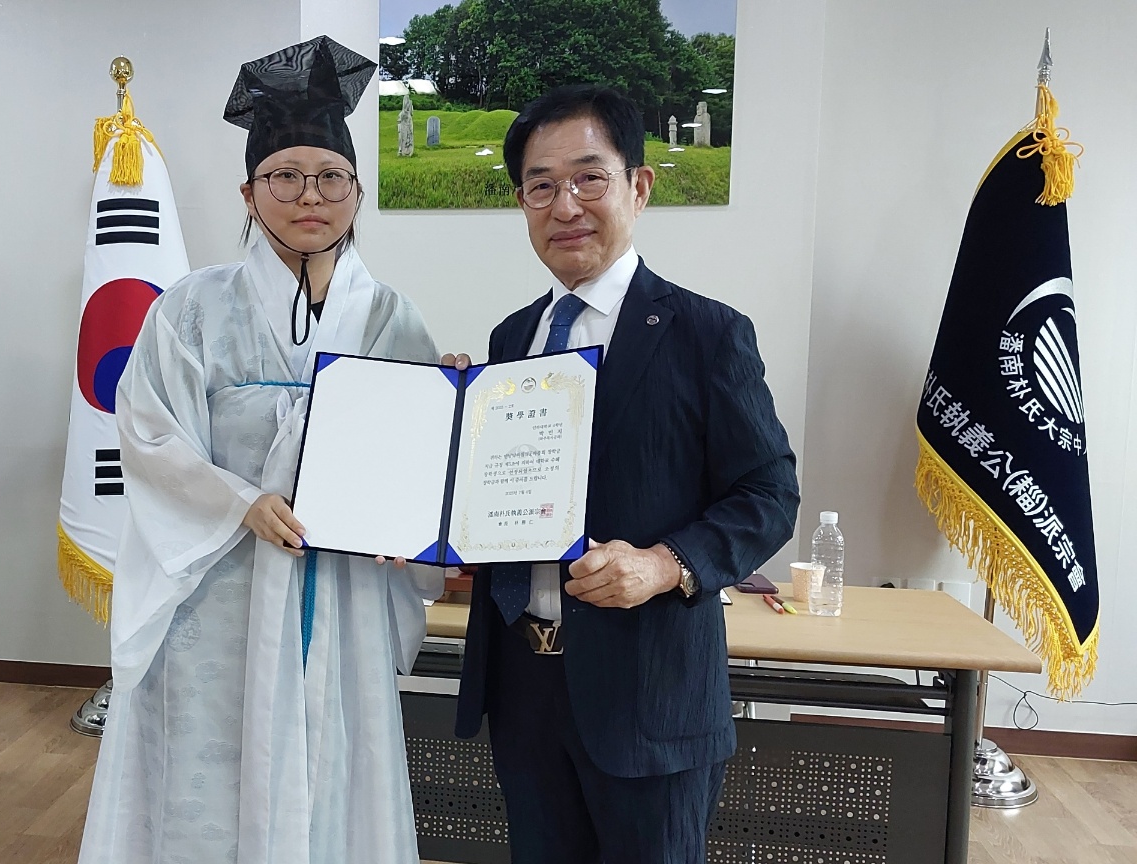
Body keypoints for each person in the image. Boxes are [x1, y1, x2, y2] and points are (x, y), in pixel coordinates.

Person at [77, 36, 443, 864]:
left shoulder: (392, 318)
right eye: (285, 176)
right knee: (207, 772)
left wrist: (440, 423)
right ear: (248, 192)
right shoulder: (191, 308)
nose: (310, 195)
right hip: (218, 590)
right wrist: (242, 504)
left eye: (331, 177)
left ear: (357, 191)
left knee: (334, 766)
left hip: (342, 593)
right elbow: (150, 434)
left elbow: (416, 462)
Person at [449, 85, 800, 863]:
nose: (565, 205)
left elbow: (770, 493)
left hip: (650, 696)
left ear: (638, 187)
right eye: (541, 185)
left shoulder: (707, 333)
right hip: (522, 687)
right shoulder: (510, 340)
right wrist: (443, 430)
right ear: (522, 203)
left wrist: (665, 563)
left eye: (589, 178)